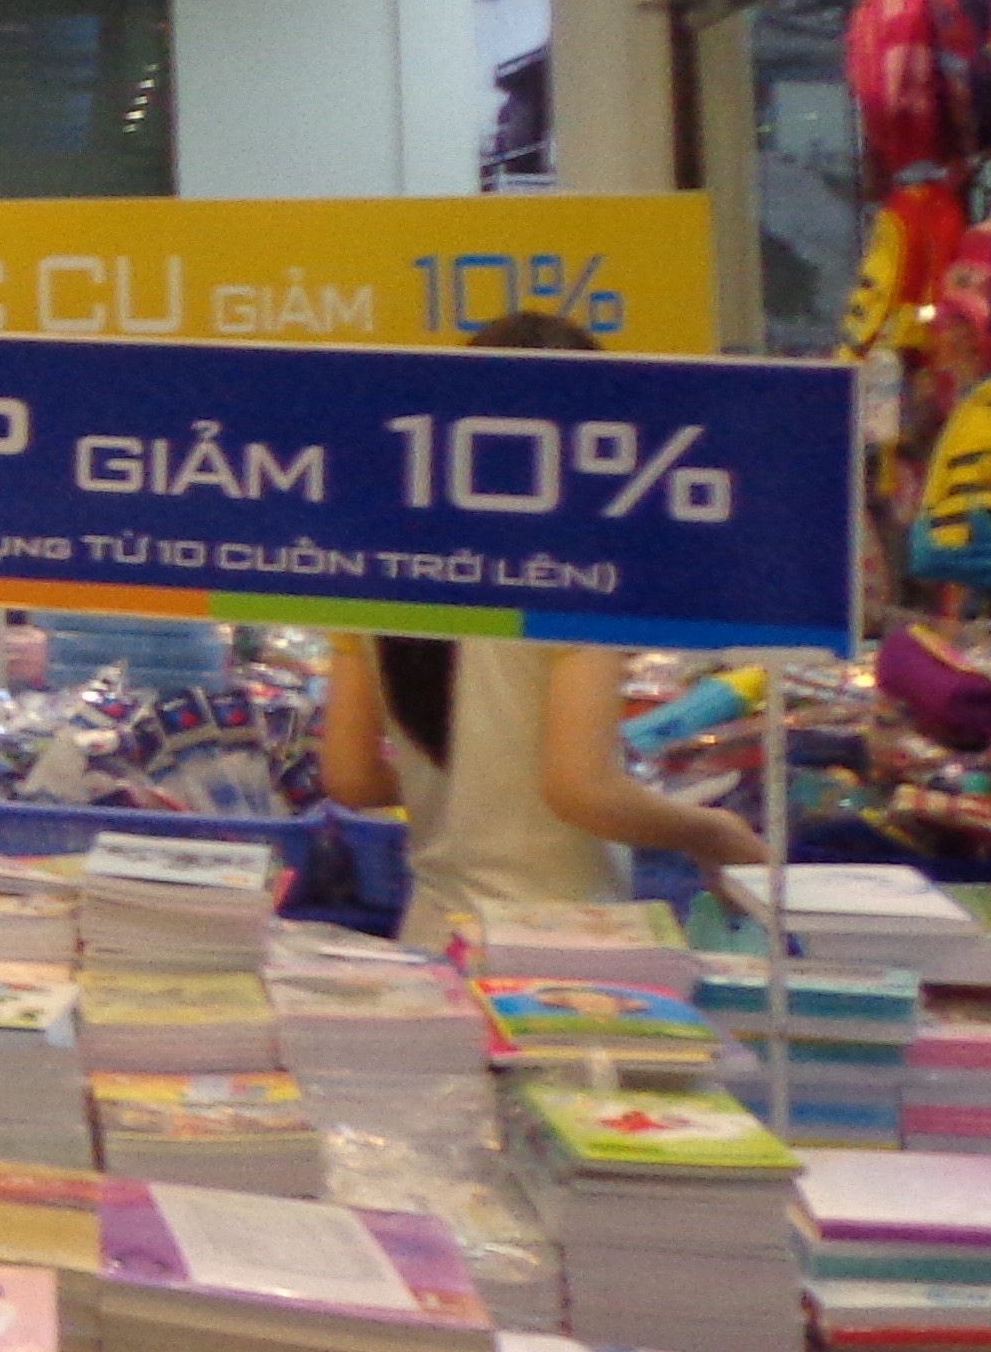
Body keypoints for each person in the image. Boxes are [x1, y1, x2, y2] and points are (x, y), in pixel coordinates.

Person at [314, 310, 763, 944]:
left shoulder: (385, 562)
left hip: (436, 932)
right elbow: (581, 791)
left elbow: (350, 778)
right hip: (567, 943)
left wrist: (471, 793)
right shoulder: (582, 568)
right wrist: (713, 832)